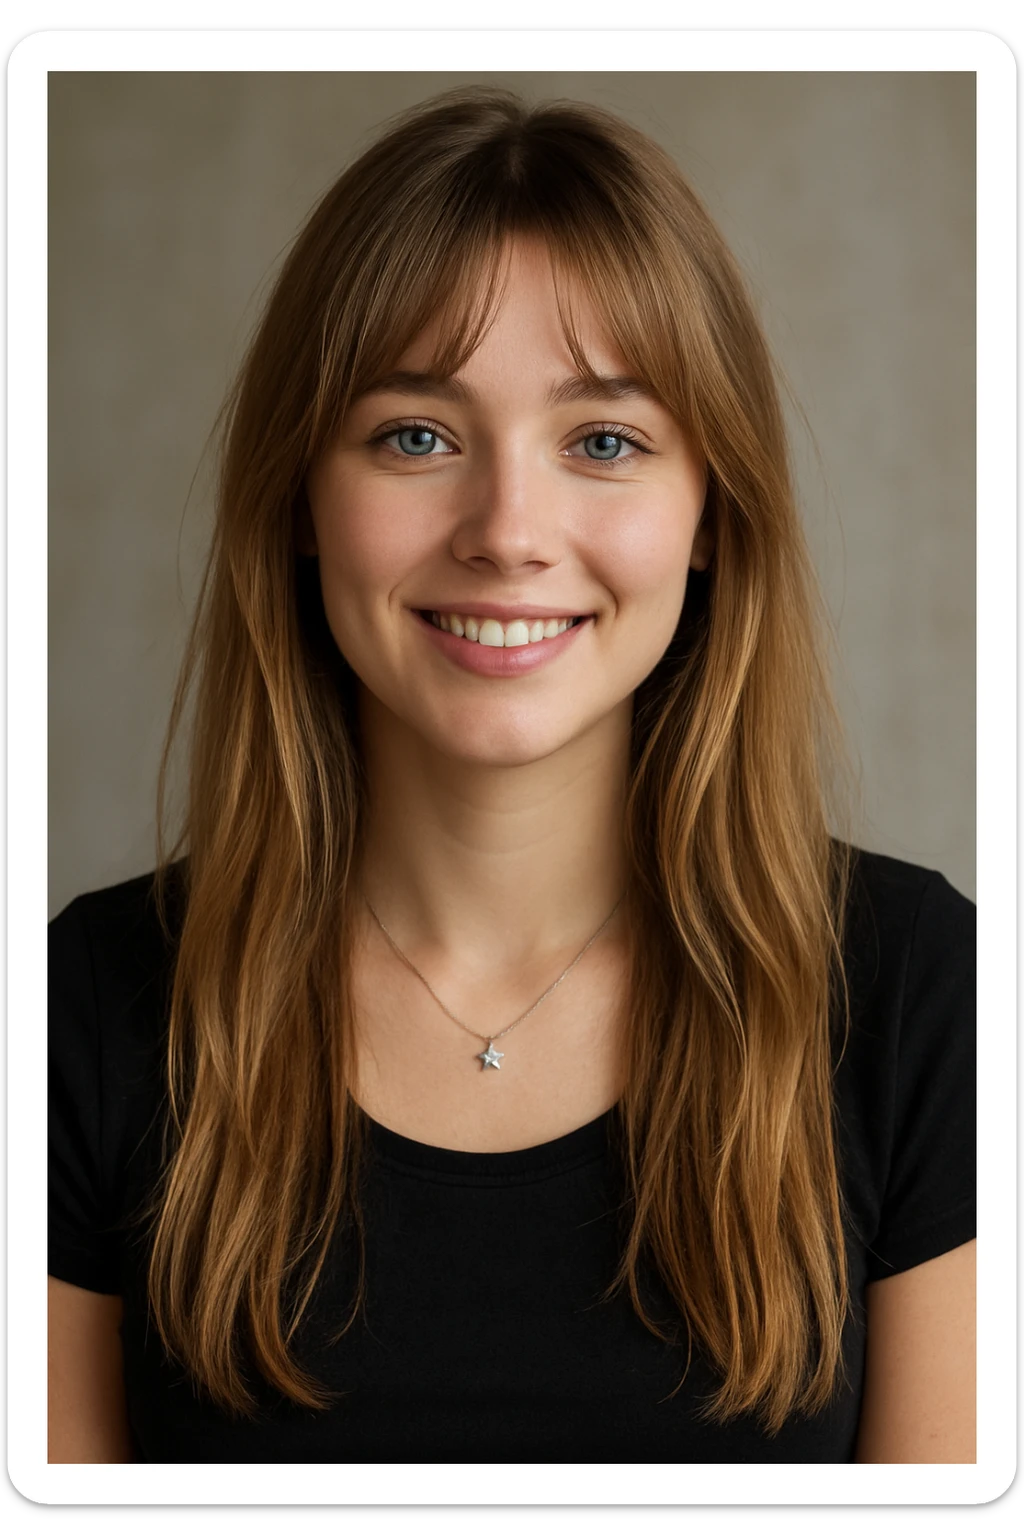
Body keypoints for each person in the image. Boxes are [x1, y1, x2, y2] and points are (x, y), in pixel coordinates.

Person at [47, 87, 976, 1464]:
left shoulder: (919, 993)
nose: (509, 533)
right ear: (303, 495)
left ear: (710, 515)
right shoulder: (85, 1004)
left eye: (604, 441)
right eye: (416, 435)